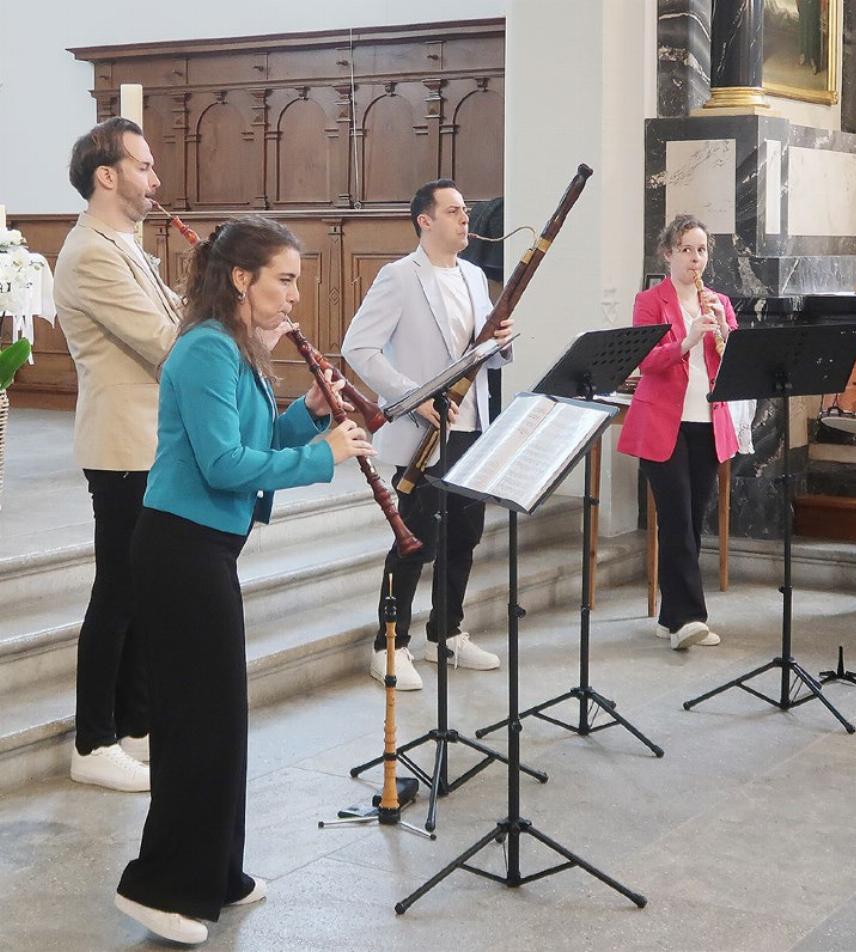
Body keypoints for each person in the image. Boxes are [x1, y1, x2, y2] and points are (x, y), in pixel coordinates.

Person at [114, 216, 372, 946]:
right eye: (284, 280)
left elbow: (252, 443)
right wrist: (325, 454)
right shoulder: (203, 351)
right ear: (241, 279)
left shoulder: (235, 350)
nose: (294, 296)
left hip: (207, 552)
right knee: (195, 725)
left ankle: (216, 873)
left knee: (221, 720)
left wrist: (305, 419)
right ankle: (162, 887)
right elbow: (224, 466)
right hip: (177, 553)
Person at [342, 179, 513, 692]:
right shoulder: (399, 277)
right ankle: (388, 644)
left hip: (472, 424)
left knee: (465, 535)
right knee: (416, 540)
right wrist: (414, 396)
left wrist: (503, 344)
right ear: (425, 220)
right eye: (455, 211)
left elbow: (484, 355)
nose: (466, 220)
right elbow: (359, 348)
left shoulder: (475, 277)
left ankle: (447, 632)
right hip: (424, 432)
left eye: (466, 211)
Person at [54, 117, 181, 792]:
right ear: (108, 175)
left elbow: (170, 316)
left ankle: (133, 723)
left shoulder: (122, 243)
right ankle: (93, 740)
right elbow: (163, 343)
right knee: (119, 592)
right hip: (123, 444)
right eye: (144, 166)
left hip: (150, 441)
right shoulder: (93, 252)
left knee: (143, 589)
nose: (155, 180)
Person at [617, 214, 739, 650]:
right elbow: (646, 362)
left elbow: (734, 364)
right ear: (668, 253)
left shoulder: (719, 302)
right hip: (662, 423)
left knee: (692, 520)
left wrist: (726, 336)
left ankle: (670, 618)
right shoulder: (650, 301)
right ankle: (690, 618)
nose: (695, 258)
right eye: (686, 249)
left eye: (702, 250)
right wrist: (686, 341)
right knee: (675, 519)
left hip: (707, 423)